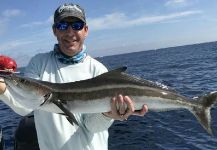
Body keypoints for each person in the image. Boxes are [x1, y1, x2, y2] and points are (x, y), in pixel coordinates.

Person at [0, 3, 148, 150]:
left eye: (76, 25)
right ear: (55, 30)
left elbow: (92, 126)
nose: (70, 32)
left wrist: (108, 115)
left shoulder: (98, 70)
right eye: (63, 26)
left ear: (86, 30)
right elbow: (24, 106)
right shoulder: (39, 63)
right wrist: (2, 89)